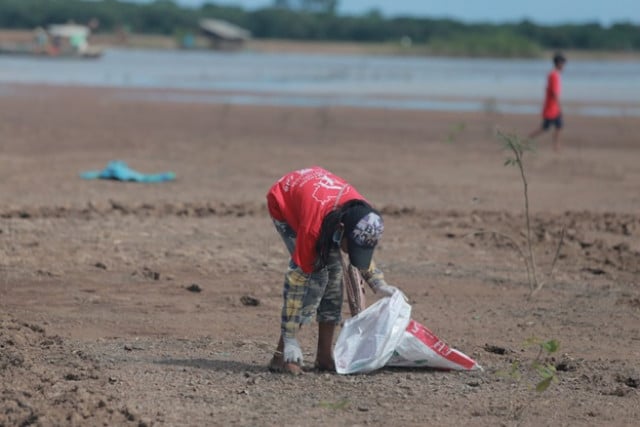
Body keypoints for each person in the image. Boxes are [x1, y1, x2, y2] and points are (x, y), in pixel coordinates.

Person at [266, 166, 402, 375]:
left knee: (334, 276)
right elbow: (297, 281)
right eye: (352, 246)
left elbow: (361, 252)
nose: (353, 252)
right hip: (284, 199)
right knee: (316, 277)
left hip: (319, 202)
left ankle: (323, 357)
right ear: (340, 230)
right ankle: (281, 356)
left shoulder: (363, 216)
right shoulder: (313, 229)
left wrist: (378, 284)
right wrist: (290, 336)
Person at [529, 52, 567, 151]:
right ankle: (529, 138)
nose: (564, 66)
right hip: (552, 107)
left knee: (558, 126)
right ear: (558, 63)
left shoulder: (554, 74)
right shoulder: (554, 75)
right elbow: (554, 93)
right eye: (563, 64)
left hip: (552, 106)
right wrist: (559, 107)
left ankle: (556, 146)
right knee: (546, 127)